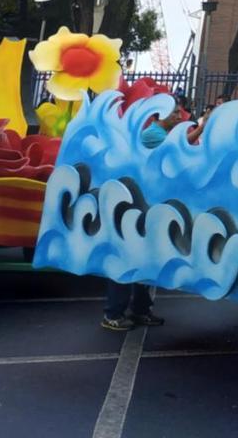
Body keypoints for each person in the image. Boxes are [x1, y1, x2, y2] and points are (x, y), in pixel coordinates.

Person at [101, 109, 180, 331]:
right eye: (173, 112)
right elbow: (175, 153)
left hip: (148, 204)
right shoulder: (151, 135)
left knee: (145, 260)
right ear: (156, 116)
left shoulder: (154, 135)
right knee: (126, 257)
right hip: (131, 203)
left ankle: (140, 310)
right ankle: (113, 313)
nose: (178, 116)